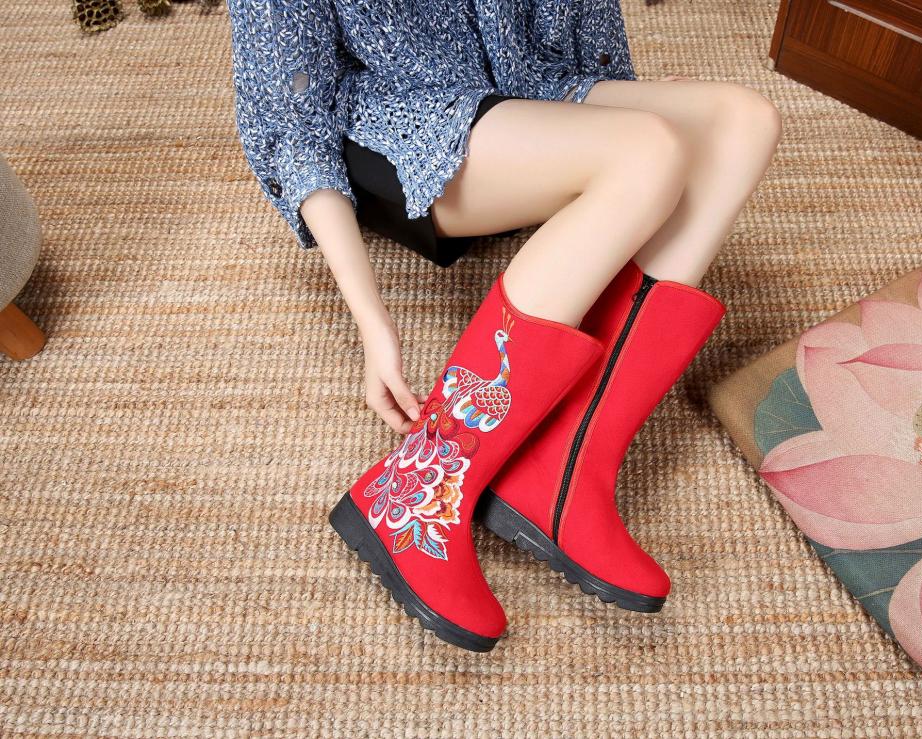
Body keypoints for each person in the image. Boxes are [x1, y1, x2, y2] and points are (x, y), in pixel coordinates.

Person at [227, 0, 781, 651]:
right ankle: (417, 491)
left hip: (526, 83)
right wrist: (372, 321)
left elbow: (579, 28)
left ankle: (561, 469)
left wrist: (634, 104)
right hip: (397, 120)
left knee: (743, 121)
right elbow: (292, 125)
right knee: (650, 152)